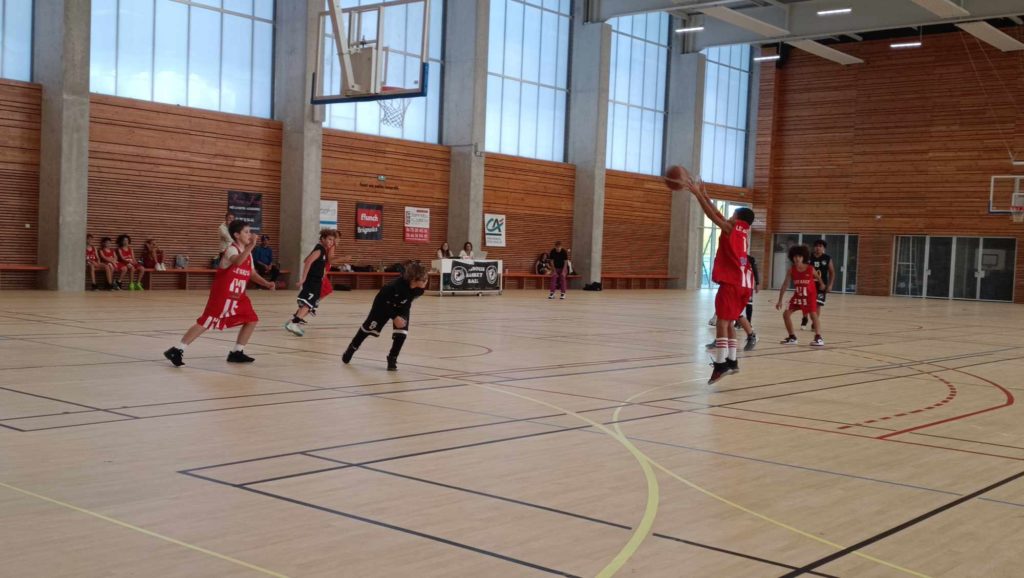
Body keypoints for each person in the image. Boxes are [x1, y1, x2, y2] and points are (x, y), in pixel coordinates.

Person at [669, 168, 755, 384]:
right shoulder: (742, 230)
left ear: (737, 218)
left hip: (732, 282)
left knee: (722, 323)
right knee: (730, 322)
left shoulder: (731, 228)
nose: (729, 217)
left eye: (732, 215)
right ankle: (732, 361)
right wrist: (705, 194)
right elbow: (717, 214)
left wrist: (697, 194)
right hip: (745, 284)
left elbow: (711, 216)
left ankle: (720, 364)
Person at [163, 220, 275, 367]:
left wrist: (266, 283)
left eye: (250, 232)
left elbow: (252, 273)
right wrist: (252, 245)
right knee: (207, 321)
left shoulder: (248, 254)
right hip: (224, 295)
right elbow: (237, 262)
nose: (250, 235)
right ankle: (177, 350)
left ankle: (237, 352)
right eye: (246, 232)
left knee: (251, 320)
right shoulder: (231, 250)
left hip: (238, 296)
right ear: (236, 235)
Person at [341, 262, 429, 371]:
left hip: (401, 306)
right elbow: (382, 304)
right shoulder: (392, 287)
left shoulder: (419, 290)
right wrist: (394, 317)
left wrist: (401, 316)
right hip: (383, 305)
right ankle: (352, 348)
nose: (426, 281)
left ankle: (392, 358)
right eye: (424, 279)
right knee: (367, 329)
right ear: (414, 279)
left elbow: (408, 301)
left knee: (402, 333)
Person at [285, 229, 339, 337]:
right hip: (312, 281)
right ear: (322, 239)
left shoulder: (323, 250)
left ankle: (294, 322)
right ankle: (294, 323)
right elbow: (308, 262)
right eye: (329, 239)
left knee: (310, 303)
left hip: (317, 281)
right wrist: (303, 279)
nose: (331, 242)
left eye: (333, 240)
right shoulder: (319, 250)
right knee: (309, 303)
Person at [776, 244, 825, 347]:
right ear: (792, 257)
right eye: (795, 256)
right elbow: (785, 284)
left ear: (803, 257)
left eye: (799, 256)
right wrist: (780, 300)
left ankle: (818, 338)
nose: (797, 258)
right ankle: (792, 337)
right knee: (786, 314)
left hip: (810, 296)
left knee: (813, 315)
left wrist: (821, 284)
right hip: (798, 296)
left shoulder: (810, 268)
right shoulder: (791, 270)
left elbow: (818, 277)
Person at [802, 239, 834, 330]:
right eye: (816, 246)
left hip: (821, 285)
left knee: (818, 304)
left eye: (820, 246)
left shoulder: (827, 258)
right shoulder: (808, 257)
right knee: (806, 304)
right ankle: (805, 318)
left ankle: (814, 323)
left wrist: (830, 285)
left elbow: (832, 272)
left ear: (823, 248)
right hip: (808, 284)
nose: (818, 248)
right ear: (813, 247)